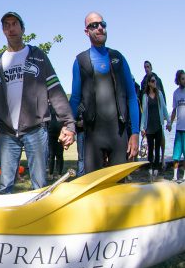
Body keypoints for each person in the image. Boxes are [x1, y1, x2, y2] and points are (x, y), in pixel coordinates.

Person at [0, 12, 75, 194]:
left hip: (36, 129)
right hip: (7, 132)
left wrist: (68, 123)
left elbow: (55, 90)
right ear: (3, 31)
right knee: (5, 186)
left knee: (39, 185)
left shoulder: (37, 55)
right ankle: (5, 221)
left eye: (14, 24)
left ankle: (40, 220)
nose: (10, 28)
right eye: (6, 25)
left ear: (22, 28)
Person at [69, 12, 140, 174]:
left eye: (103, 24)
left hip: (118, 134)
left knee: (119, 189)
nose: (100, 28)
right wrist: (69, 126)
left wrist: (134, 133)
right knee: (93, 188)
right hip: (93, 136)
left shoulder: (118, 58)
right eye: (94, 25)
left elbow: (131, 97)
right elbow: (74, 99)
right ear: (86, 31)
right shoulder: (80, 61)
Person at [140, 75, 170, 177]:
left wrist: (169, 122)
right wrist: (142, 127)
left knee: (157, 149)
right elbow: (144, 113)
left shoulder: (159, 94)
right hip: (149, 127)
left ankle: (156, 169)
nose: (154, 83)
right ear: (148, 83)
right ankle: (150, 168)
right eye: (152, 81)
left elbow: (164, 109)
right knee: (150, 149)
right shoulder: (145, 96)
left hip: (158, 125)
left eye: (155, 81)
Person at [168, 70, 185, 182]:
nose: (184, 80)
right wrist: (169, 123)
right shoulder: (175, 93)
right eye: (183, 78)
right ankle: (175, 176)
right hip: (179, 128)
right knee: (176, 154)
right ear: (178, 80)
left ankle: (184, 176)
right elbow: (174, 110)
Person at [48, 103, 64, 180]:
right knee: (51, 155)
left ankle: (59, 174)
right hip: (51, 134)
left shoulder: (62, 107)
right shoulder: (49, 107)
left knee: (59, 155)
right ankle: (50, 174)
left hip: (60, 135)